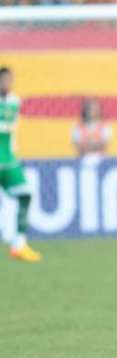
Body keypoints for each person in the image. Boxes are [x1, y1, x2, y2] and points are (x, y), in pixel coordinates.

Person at [0, 66, 42, 263]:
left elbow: (12, 129)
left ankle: (19, 244)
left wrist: (14, 149)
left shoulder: (15, 101)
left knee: (26, 194)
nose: (7, 84)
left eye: (9, 80)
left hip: (8, 160)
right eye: (3, 80)